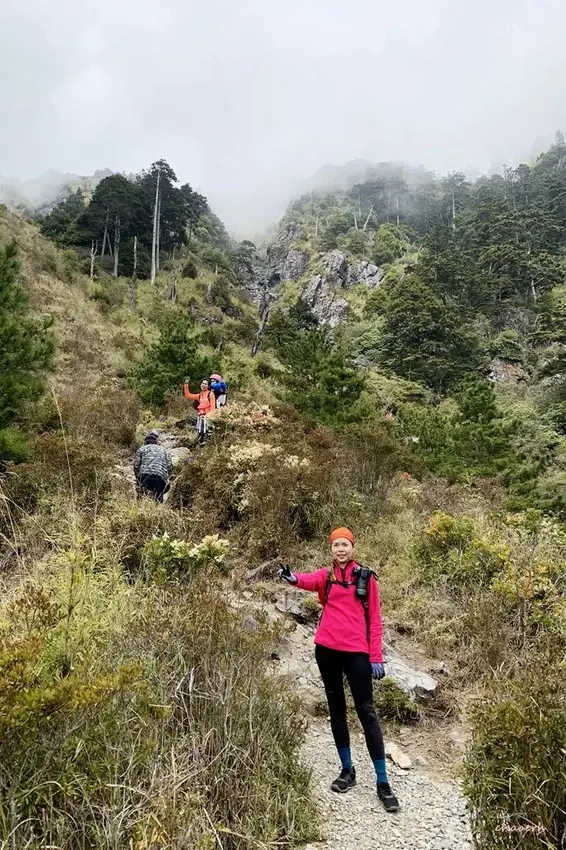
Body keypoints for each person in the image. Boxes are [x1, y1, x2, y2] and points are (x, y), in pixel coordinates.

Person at [277, 527, 399, 813]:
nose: (340, 549)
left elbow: (375, 620)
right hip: (327, 650)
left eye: (345, 544)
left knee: (367, 712)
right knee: (337, 709)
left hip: (357, 653)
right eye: (336, 545)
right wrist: (293, 578)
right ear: (331, 549)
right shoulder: (327, 576)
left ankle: (383, 782)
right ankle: (347, 770)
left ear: (353, 547)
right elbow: (308, 581)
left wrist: (376, 656)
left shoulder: (366, 578)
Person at [134, 431, 173, 502]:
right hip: (160, 477)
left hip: (145, 476)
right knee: (158, 499)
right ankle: (157, 506)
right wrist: (167, 478)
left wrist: (138, 479)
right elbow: (170, 467)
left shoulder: (141, 449)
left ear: (145, 442)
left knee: (141, 497)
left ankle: (140, 506)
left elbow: (136, 466)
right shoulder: (164, 450)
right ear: (156, 442)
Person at [183, 378, 216, 444]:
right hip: (200, 416)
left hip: (207, 417)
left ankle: (206, 442)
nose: (203, 385)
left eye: (205, 384)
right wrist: (186, 385)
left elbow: (213, 406)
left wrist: (209, 416)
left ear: (208, 386)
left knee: (205, 431)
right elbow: (188, 396)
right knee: (199, 431)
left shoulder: (210, 394)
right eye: (203, 383)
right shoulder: (200, 395)